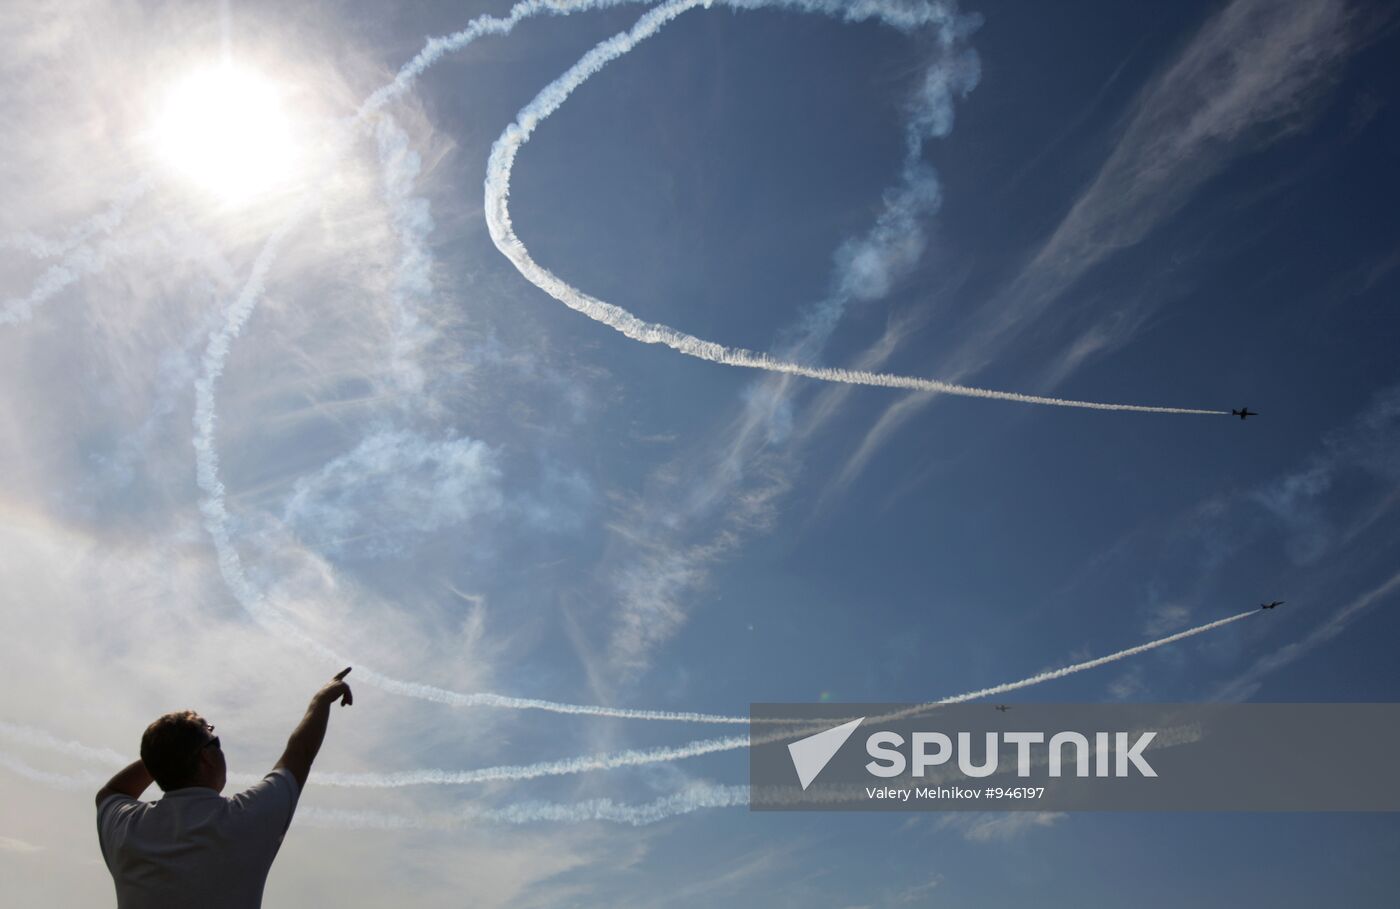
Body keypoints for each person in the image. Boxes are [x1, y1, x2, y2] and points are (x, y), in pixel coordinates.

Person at [94, 667, 354, 909]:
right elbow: (300, 753)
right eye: (214, 740)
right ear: (206, 757)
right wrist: (320, 701)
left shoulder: (127, 830)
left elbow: (111, 793)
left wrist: (165, 752)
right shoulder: (243, 819)